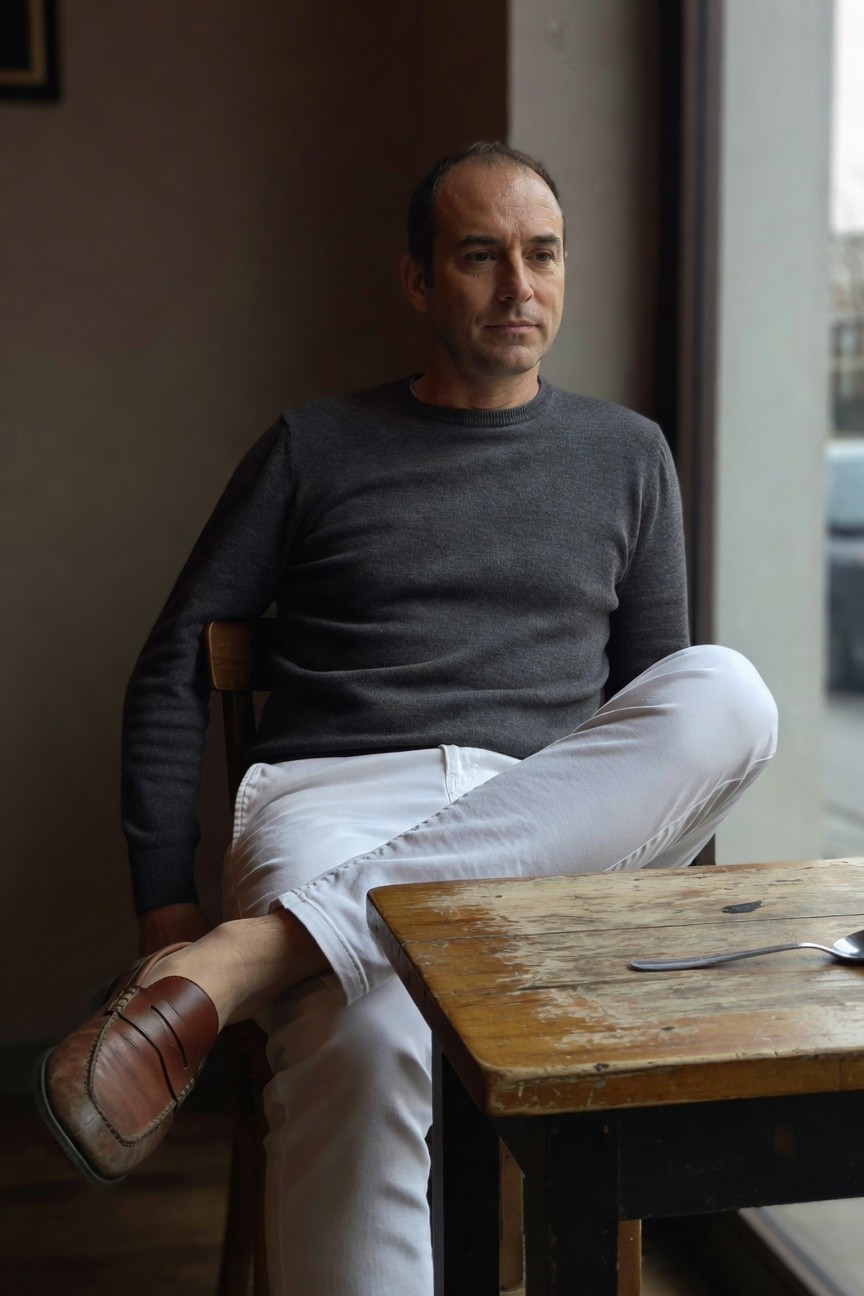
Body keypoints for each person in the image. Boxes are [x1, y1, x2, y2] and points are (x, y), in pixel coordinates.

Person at [37, 142, 778, 1296]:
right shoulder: (312, 448)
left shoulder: (629, 456)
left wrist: (673, 941)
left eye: (542, 256)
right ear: (420, 281)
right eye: (481, 256)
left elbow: (653, 722)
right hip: (334, 800)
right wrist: (164, 899)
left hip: (539, 829)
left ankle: (258, 954)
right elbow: (175, 665)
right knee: (367, 1033)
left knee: (730, 690)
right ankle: (295, 941)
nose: (519, 287)